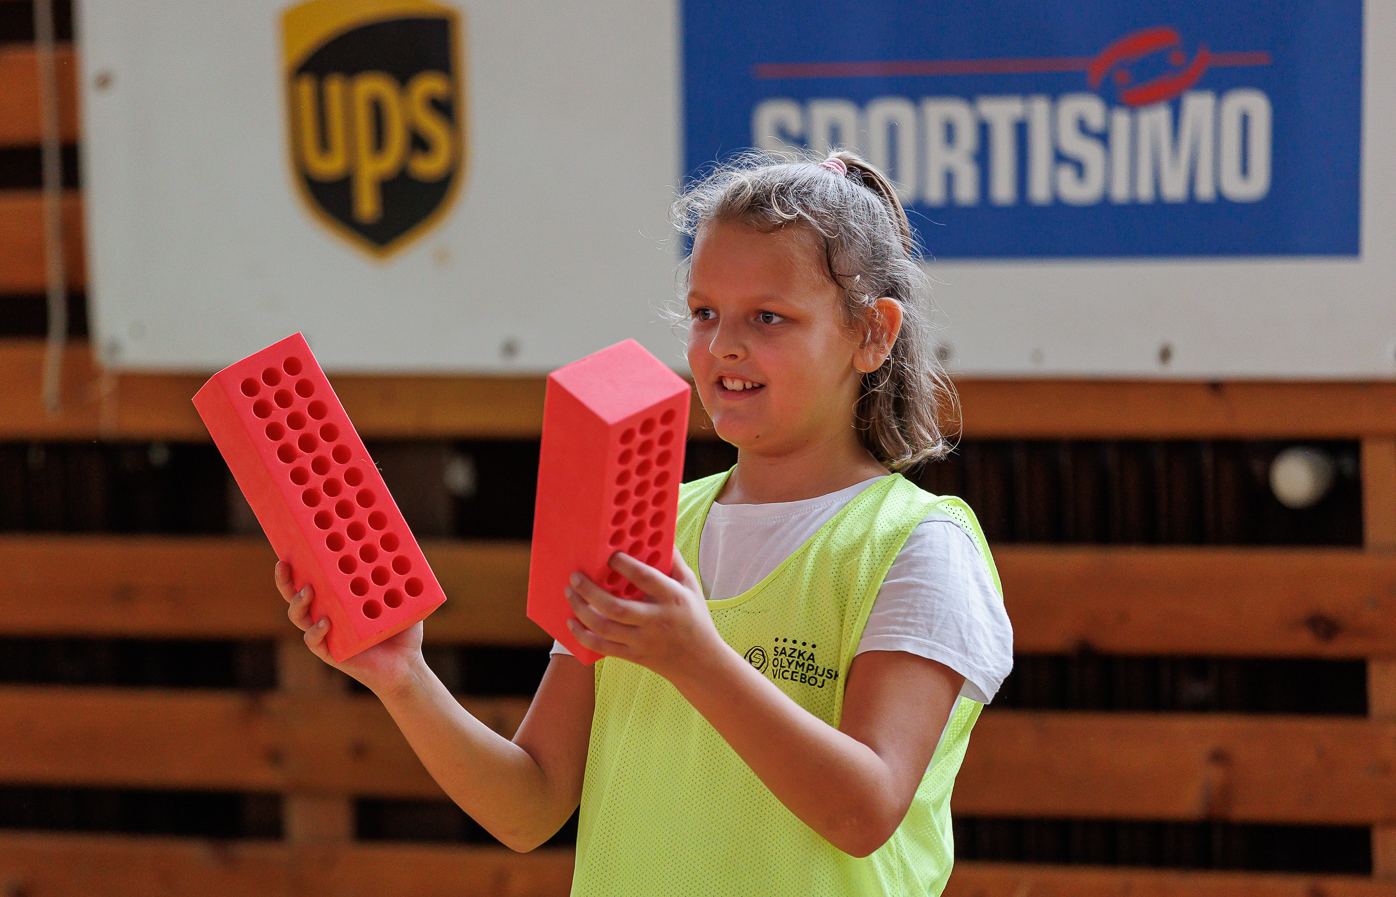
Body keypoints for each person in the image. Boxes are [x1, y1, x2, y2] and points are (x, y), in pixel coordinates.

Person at [274, 148, 1014, 896]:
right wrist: (403, 676)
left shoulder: (920, 545)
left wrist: (696, 657)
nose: (724, 345)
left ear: (873, 333)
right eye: (704, 312)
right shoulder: (641, 520)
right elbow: (529, 805)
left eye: (769, 317)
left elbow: (865, 811)